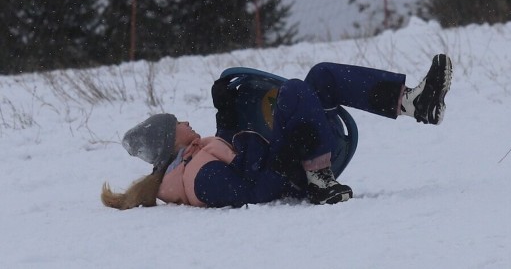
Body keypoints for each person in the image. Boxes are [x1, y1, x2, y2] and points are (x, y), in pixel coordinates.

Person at [102, 54, 452, 209]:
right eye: (177, 123)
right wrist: (285, 161)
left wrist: (226, 109)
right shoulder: (197, 178)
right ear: (168, 141)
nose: (185, 123)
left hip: (284, 158)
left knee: (323, 76)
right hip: (290, 175)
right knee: (297, 91)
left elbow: (233, 150)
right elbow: (249, 192)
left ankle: (414, 102)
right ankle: (319, 179)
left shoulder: (194, 156)